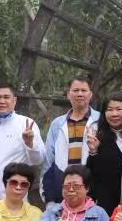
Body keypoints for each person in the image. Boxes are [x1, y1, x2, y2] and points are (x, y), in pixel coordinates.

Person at [0, 81, 44, 206]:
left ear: (14, 101)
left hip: (13, 201)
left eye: (6, 97)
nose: (2, 101)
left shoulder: (26, 124)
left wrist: (30, 143)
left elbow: (38, 160)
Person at [41, 75, 99, 203]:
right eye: (75, 90)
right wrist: (47, 196)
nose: (80, 94)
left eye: (84, 91)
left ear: (91, 94)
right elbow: (48, 161)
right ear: (68, 94)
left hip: (91, 189)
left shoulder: (100, 121)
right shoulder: (57, 124)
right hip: (62, 189)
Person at [86, 92, 122, 216]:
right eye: (110, 110)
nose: (114, 114)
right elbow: (92, 174)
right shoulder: (97, 137)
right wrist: (93, 152)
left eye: (119, 109)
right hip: (106, 205)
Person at [34, 165, 111, 221]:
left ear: (87, 188)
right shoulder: (52, 211)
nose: (71, 189)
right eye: (66, 186)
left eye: (76, 186)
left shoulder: (99, 213)